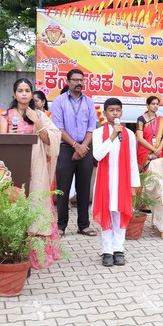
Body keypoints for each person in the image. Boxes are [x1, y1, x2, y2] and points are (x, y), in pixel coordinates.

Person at [3, 78, 63, 268]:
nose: (24, 94)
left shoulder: (39, 115)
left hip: (36, 165)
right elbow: (2, 141)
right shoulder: (5, 116)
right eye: (20, 90)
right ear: (14, 94)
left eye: (27, 90)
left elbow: (49, 140)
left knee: (37, 201)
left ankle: (37, 254)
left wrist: (38, 122)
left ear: (31, 94)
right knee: (15, 201)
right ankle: (15, 252)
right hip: (14, 165)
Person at [91, 98, 139, 267]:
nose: (115, 113)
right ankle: (107, 251)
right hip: (105, 182)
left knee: (119, 215)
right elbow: (97, 156)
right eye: (111, 110)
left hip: (123, 182)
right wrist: (111, 136)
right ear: (105, 113)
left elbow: (133, 160)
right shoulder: (98, 133)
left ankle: (119, 249)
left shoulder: (129, 134)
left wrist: (134, 184)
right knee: (107, 214)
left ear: (122, 112)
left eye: (118, 110)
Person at [52, 68, 98, 238]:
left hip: (86, 148)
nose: (79, 83)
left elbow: (92, 127)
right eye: (75, 80)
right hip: (65, 148)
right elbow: (58, 127)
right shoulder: (59, 101)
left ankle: (83, 225)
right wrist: (75, 146)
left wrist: (83, 147)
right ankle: (61, 225)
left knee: (84, 188)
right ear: (68, 81)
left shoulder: (89, 102)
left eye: (82, 80)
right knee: (63, 189)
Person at [135, 95, 163, 172]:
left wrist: (158, 150)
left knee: (157, 174)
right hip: (145, 152)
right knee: (145, 175)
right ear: (147, 105)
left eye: (157, 104)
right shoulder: (141, 119)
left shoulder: (162, 120)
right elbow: (140, 138)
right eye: (153, 104)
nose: (155, 106)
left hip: (158, 151)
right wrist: (154, 150)